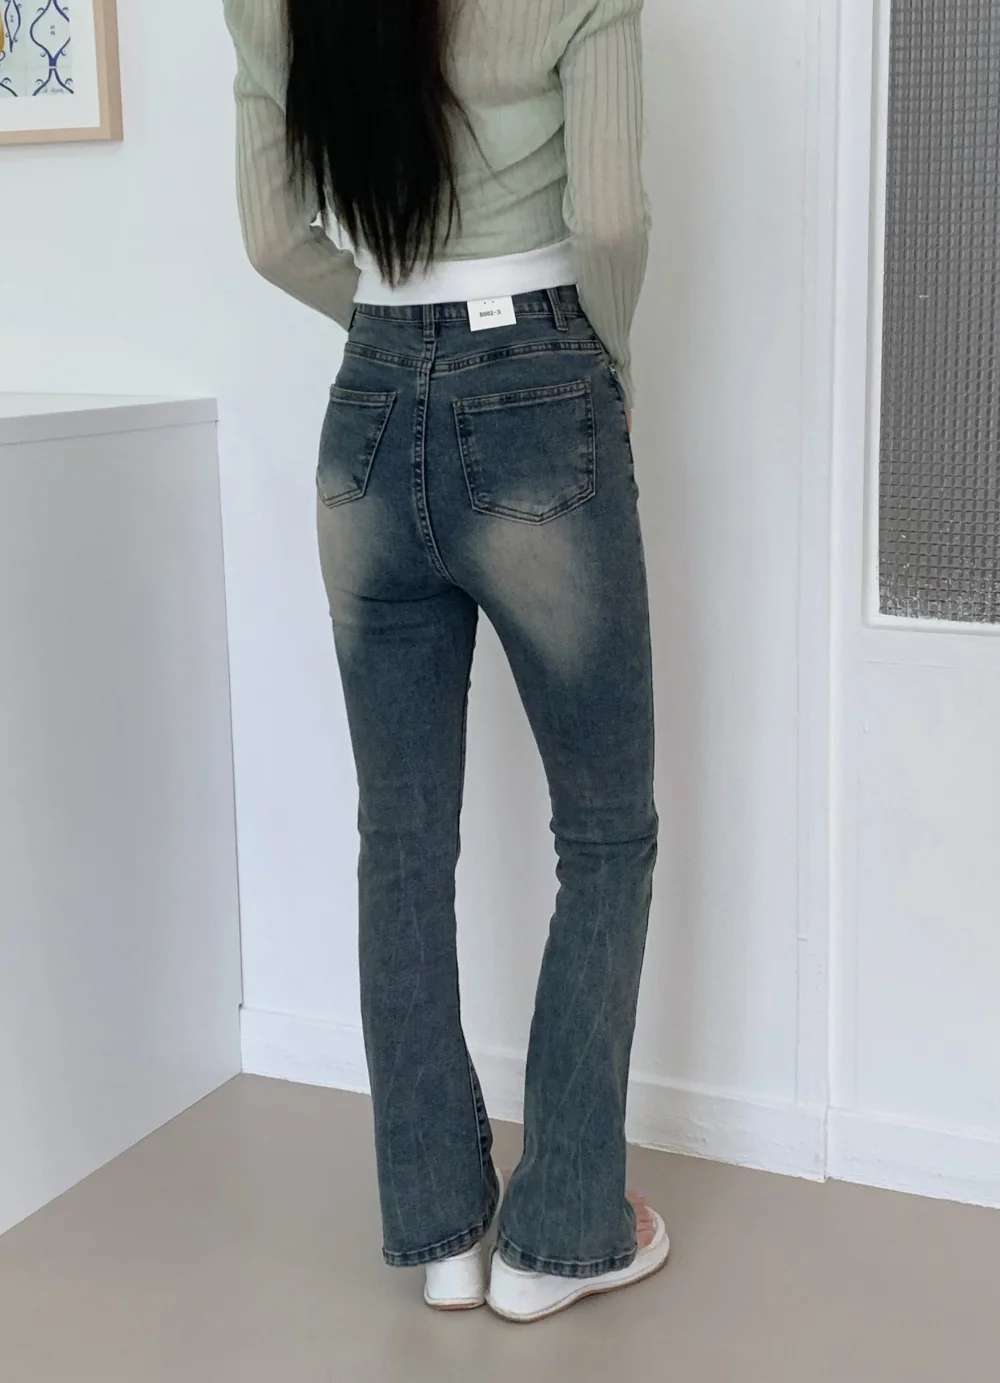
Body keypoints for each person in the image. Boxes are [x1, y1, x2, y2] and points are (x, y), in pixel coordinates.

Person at [222, 0, 668, 1324]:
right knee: (605, 832)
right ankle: (563, 1234)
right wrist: (598, 359)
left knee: (401, 840)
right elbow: (609, 222)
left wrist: (385, 322)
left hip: (364, 408)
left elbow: (269, 236)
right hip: (539, 380)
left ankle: (443, 1236)